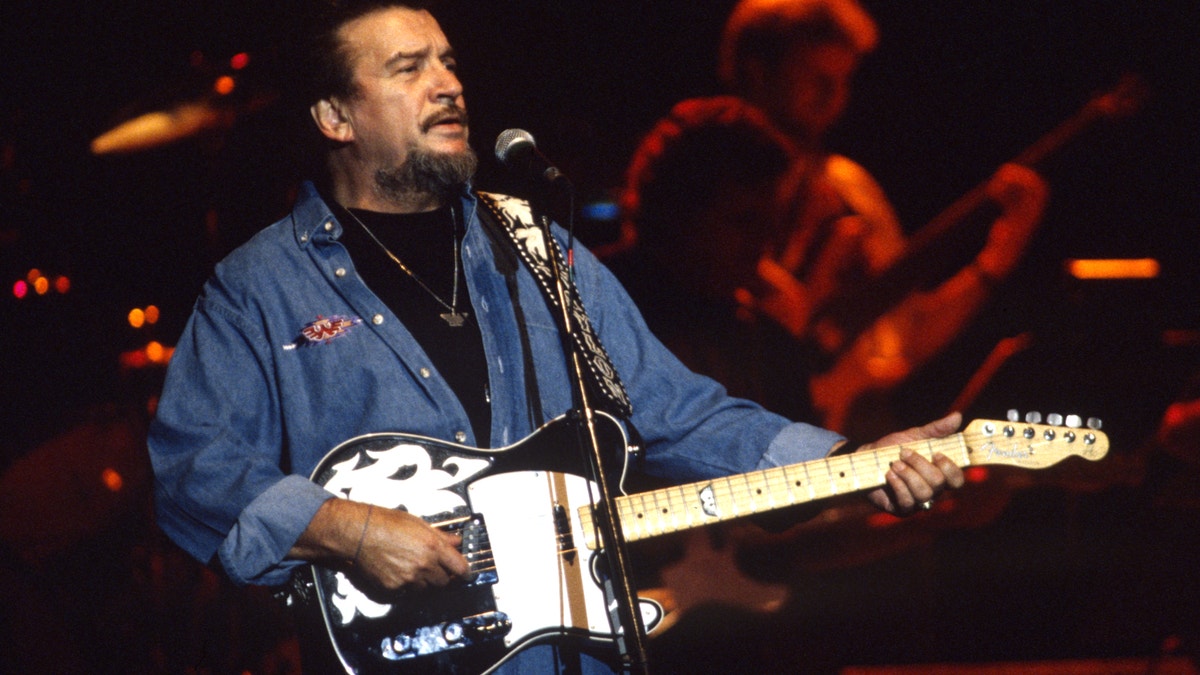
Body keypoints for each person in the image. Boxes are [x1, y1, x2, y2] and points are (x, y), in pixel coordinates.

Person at [147, 2, 966, 673]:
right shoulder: (258, 286)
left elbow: (678, 413)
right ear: (335, 116)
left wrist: (850, 464)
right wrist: (350, 528)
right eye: (409, 69)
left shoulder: (537, 250)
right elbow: (191, 464)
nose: (448, 86)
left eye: (449, 62)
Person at [714, 0, 1048, 439]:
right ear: (758, 71)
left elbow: (907, 336)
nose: (832, 95)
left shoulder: (850, 191)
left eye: (843, 79)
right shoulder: (702, 182)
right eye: (816, 76)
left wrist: (997, 258)